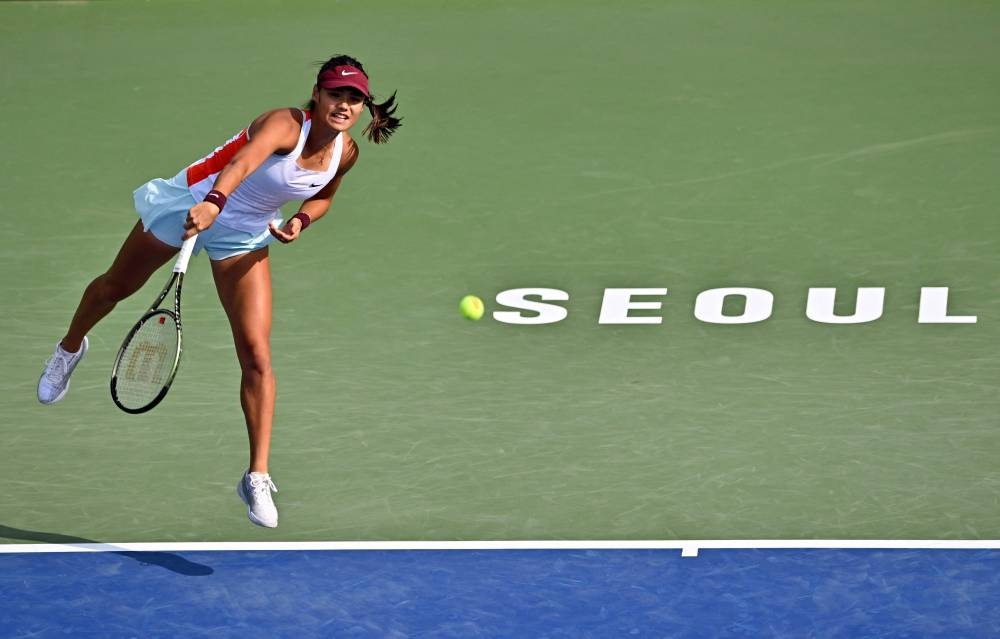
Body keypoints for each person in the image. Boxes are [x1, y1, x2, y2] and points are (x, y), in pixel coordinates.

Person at [36, 54, 401, 528]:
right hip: (193, 202)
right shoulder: (284, 124)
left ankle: (257, 475)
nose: (344, 105)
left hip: (244, 234)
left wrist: (301, 220)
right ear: (317, 94)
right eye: (336, 94)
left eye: (354, 98)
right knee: (115, 287)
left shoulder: (345, 153)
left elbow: (324, 195)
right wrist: (211, 203)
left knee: (257, 355)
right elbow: (241, 163)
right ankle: (69, 348)